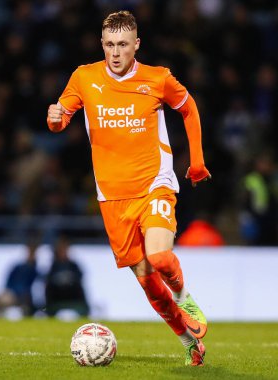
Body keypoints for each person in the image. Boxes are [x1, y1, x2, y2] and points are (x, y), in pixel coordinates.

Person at [47, 11, 211, 366]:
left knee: (160, 257)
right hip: (112, 197)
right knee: (146, 280)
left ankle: (183, 295)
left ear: (136, 45)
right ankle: (187, 340)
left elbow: (189, 108)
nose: (116, 53)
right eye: (109, 45)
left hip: (154, 183)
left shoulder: (158, 78)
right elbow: (61, 117)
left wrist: (196, 161)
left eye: (123, 45)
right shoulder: (84, 77)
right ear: (101, 45)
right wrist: (54, 119)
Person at [45, 235, 90, 317]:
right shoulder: (53, 266)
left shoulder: (73, 265)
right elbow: (48, 280)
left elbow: (80, 277)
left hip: (72, 295)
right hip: (58, 296)